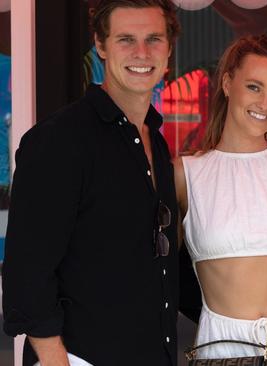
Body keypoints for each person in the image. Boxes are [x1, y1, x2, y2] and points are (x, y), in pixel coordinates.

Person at [1, 0, 180, 365]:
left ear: (169, 49)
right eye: (126, 39)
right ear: (100, 45)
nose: (141, 53)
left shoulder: (156, 143)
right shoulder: (59, 140)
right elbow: (27, 274)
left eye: (154, 39)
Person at [173, 34, 267, 365]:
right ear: (227, 83)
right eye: (254, 87)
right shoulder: (186, 175)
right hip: (221, 349)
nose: (265, 104)